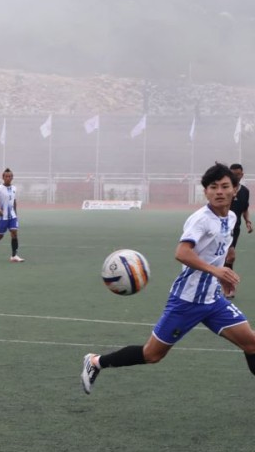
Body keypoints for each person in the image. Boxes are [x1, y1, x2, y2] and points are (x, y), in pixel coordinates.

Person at [81, 162, 255, 395]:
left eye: (225, 186)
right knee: (152, 354)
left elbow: (217, 250)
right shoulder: (201, 219)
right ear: (206, 192)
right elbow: (182, 252)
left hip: (213, 301)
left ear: (235, 190)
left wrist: (221, 273)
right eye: (213, 187)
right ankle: (95, 362)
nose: (219, 192)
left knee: (251, 344)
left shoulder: (231, 217)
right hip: (187, 301)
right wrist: (215, 271)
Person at [223, 163, 251, 299]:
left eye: (238, 174)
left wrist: (248, 221)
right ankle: (228, 286)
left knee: (227, 257)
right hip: (222, 227)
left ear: (242, 175)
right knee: (230, 256)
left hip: (236, 228)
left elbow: (245, 209)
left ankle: (223, 283)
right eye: (232, 174)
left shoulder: (245, 191)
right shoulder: (224, 190)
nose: (235, 176)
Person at [0, 168, 24, 263]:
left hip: (12, 216)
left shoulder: (14, 188)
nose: (8, 178)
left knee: (14, 233)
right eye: (6, 176)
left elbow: (14, 201)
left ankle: (14, 255)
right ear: (3, 177)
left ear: (12, 177)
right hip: (3, 217)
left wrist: (15, 214)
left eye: (10, 176)